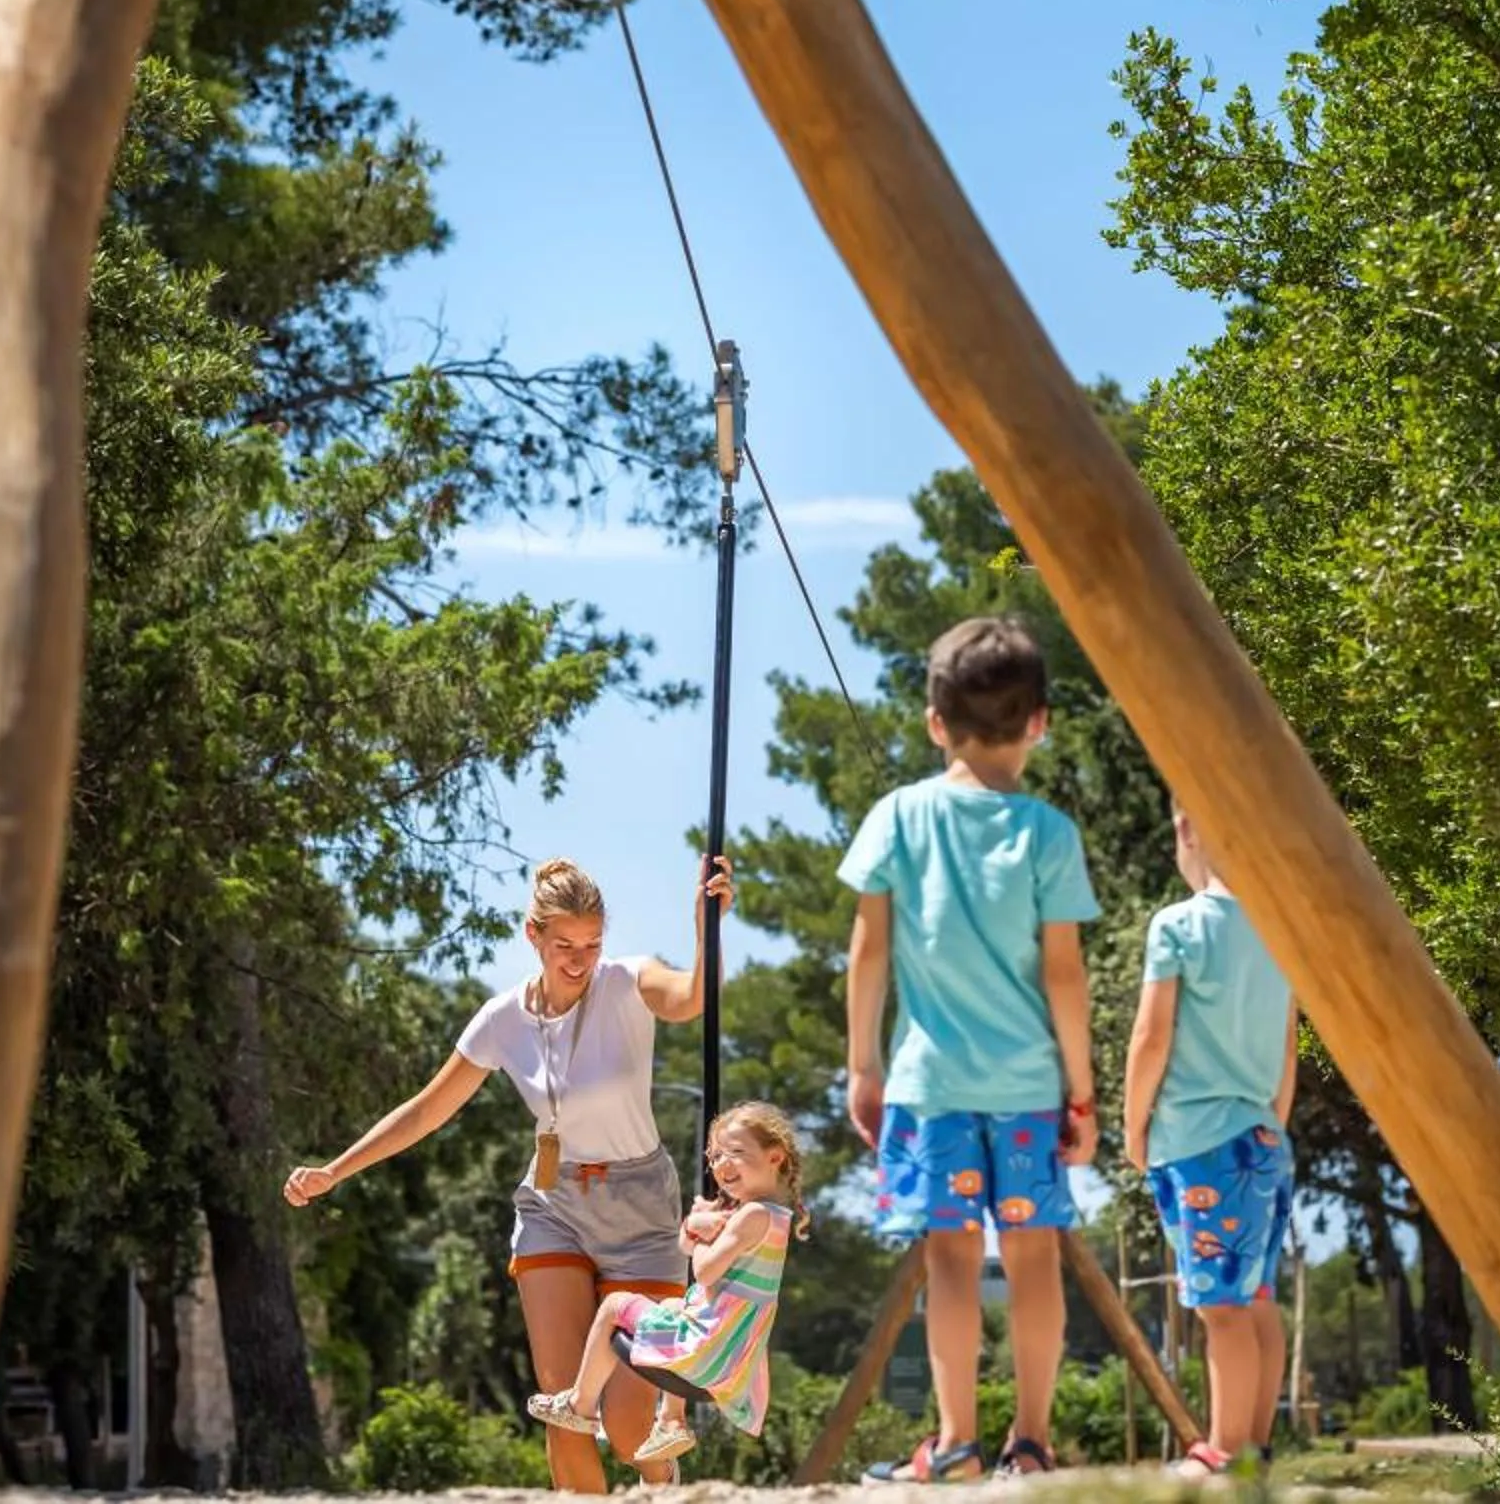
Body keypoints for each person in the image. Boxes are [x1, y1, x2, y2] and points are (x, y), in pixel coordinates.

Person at [285, 855, 734, 1491]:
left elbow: (692, 1001)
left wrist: (704, 930)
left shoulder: (627, 983)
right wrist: (334, 1171)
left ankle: (659, 1481)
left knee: (631, 1425)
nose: (580, 961)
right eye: (564, 946)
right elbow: (427, 1110)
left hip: (640, 1211)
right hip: (553, 1205)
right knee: (564, 1404)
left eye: (592, 944)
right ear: (533, 936)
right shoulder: (503, 1019)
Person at [840, 615, 1100, 1483]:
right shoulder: (1050, 835)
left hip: (930, 1086)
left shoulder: (897, 817)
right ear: (1040, 721)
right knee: (1033, 1262)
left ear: (934, 721)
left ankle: (953, 1444)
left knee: (948, 1259)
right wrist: (1081, 1089)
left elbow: (868, 951)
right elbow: (1064, 974)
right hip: (1028, 1089)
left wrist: (863, 1065)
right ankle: (1029, 1445)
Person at [1125, 807, 1298, 1479]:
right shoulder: (1278, 935)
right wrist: (1271, 1126)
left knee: (1220, 1307)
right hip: (1264, 1138)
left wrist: (1134, 1126)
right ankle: (1253, 1452)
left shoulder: (1178, 925)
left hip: (1198, 1141)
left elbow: (1151, 1037)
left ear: (1190, 828)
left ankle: (1224, 1453)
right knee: (1254, 1298)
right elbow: (1285, 1052)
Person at [526, 1102, 807, 1464]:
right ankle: (672, 1420)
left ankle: (581, 1403)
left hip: (707, 1352)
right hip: (733, 1358)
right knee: (675, 1306)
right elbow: (684, 1244)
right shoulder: (776, 1218)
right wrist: (696, 1228)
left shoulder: (750, 1215)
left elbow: (704, 1272)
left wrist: (702, 1235)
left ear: (775, 1157)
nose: (722, 1164)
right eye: (716, 1156)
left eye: (736, 1153)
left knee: (614, 1306)